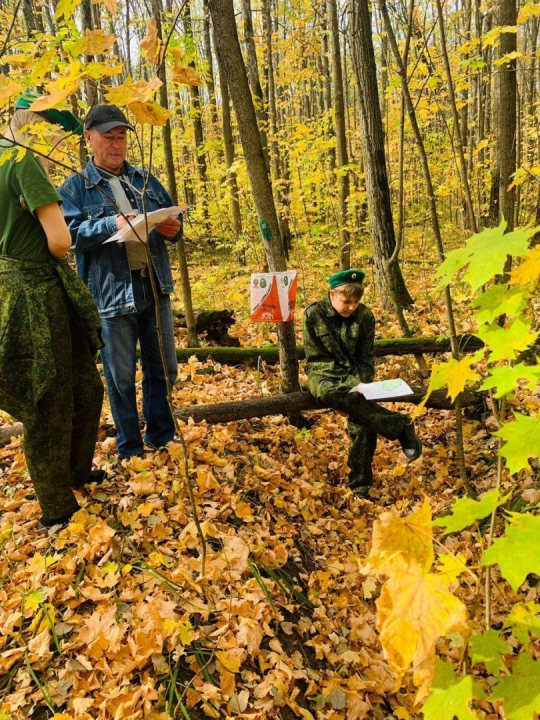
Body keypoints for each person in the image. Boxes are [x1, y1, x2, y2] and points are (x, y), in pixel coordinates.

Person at [0, 96, 105, 527]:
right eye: (56, 130)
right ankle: (56, 508)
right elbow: (61, 241)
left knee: (85, 387)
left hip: (23, 289)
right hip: (33, 292)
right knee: (49, 398)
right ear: (33, 123)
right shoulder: (23, 162)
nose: (59, 142)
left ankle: (74, 473)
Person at [59, 105, 182, 460]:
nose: (116, 144)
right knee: (120, 376)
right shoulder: (75, 187)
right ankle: (130, 448)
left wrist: (173, 229)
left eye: (121, 136)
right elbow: (69, 236)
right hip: (110, 294)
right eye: (108, 136)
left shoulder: (144, 179)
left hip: (155, 287)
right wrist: (112, 224)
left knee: (164, 369)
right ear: (89, 138)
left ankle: (161, 437)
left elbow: (171, 218)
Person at [303, 270, 422, 497]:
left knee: (364, 424)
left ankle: (360, 488)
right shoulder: (314, 314)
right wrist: (348, 385)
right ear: (332, 294)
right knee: (329, 392)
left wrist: (361, 385)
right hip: (323, 374)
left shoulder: (365, 317)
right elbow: (317, 358)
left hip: (355, 375)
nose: (352, 307)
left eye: (356, 302)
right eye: (346, 302)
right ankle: (399, 425)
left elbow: (366, 358)